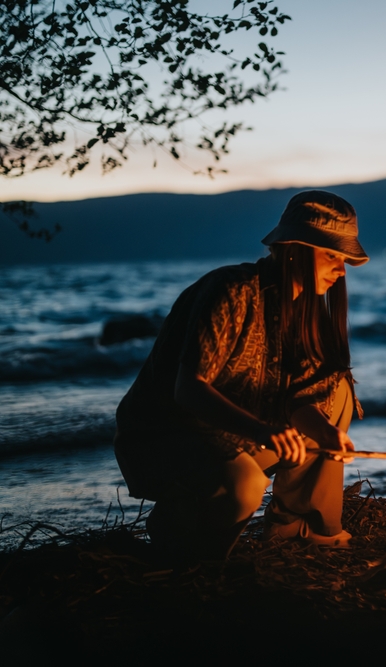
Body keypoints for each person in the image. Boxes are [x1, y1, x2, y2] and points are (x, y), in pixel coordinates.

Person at [114, 191, 368, 561]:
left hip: (240, 439)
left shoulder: (307, 312)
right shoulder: (232, 291)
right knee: (246, 485)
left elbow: (302, 398)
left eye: (344, 258)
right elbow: (188, 390)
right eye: (332, 255)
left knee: (338, 390)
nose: (341, 269)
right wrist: (263, 431)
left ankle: (296, 528)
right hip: (167, 439)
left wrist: (325, 433)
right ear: (294, 247)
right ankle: (181, 534)